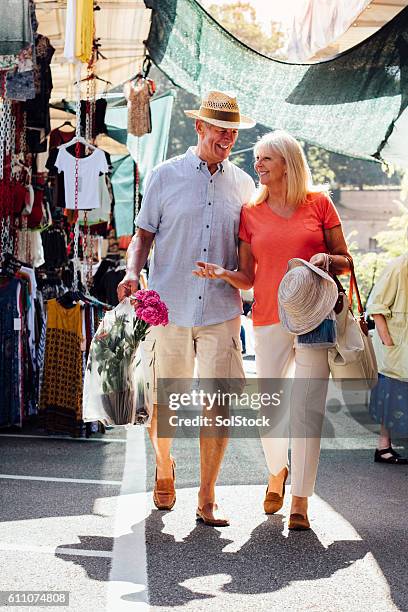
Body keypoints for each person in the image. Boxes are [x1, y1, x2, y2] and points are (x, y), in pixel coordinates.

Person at [194, 129, 351, 530]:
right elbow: (247, 277)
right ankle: (277, 471)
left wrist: (327, 259)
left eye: (266, 159)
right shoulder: (251, 212)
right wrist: (222, 273)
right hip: (266, 319)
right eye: (258, 158)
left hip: (313, 317)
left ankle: (300, 499)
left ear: (287, 164)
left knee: (307, 409)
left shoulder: (319, 204)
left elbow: (346, 260)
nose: (257, 165)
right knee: (270, 410)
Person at [117, 91, 255, 526]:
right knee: (163, 403)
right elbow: (142, 237)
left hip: (220, 310)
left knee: (219, 404)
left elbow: (248, 251)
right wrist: (131, 273)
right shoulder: (163, 176)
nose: (228, 137)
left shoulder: (244, 185)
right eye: (220, 128)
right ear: (199, 127)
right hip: (169, 307)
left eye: (232, 130)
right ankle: (164, 467)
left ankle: (208, 495)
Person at [366, 253, 408, 464]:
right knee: (391, 395)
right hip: (396, 346)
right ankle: (383, 448)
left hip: (401, 346)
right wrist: (388, 343)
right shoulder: (397, 267)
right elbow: (376, 308)